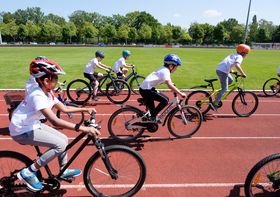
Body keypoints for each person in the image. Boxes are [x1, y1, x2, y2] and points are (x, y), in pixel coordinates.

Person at [9, 59, 100, 192]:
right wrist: (83, 128)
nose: (57, 81)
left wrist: (84, 109)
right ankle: (29, 171)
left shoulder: (48, 92)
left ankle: (63, 170)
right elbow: (55, 121)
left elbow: (64, 108)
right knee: (60, 145)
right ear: (45, 81)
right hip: (21, 130)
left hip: (31, 125)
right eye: (55, 78)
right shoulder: (37, 95)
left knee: (63, 139)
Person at [139, 54, 186, 122]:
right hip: (146, 90)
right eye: (176, 67)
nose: (176, 69)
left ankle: (151, 118)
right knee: (165, 100)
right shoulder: (165, 71)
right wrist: (180, 93)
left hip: (145, 89)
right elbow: (169, 84)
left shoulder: (163, 69)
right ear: (171, 66)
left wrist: (172, 85)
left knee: (153, 109)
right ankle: (152, 117)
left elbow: (165, 81)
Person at [212, 44, 251, 111]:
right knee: (225, 89)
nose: (246, 55)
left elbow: (228, 63)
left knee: (231, 81)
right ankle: (215, 103)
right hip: (223, 72)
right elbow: (237, 65)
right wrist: (243, 74)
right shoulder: (240, 57)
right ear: (243, 52)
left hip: (221, 69)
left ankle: (220, 94)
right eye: (246, 53)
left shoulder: (233, 54)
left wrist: (232, 71)